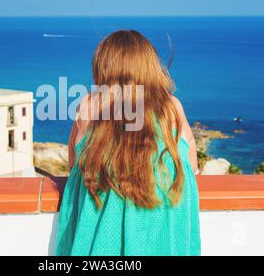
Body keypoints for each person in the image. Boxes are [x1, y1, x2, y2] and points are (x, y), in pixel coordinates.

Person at [55, 30, 201, 256]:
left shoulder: (89, 105)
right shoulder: (172, 107)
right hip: (161, 239)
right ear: (151, 68)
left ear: (103, 70)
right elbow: (191, 164)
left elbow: (75, 162)